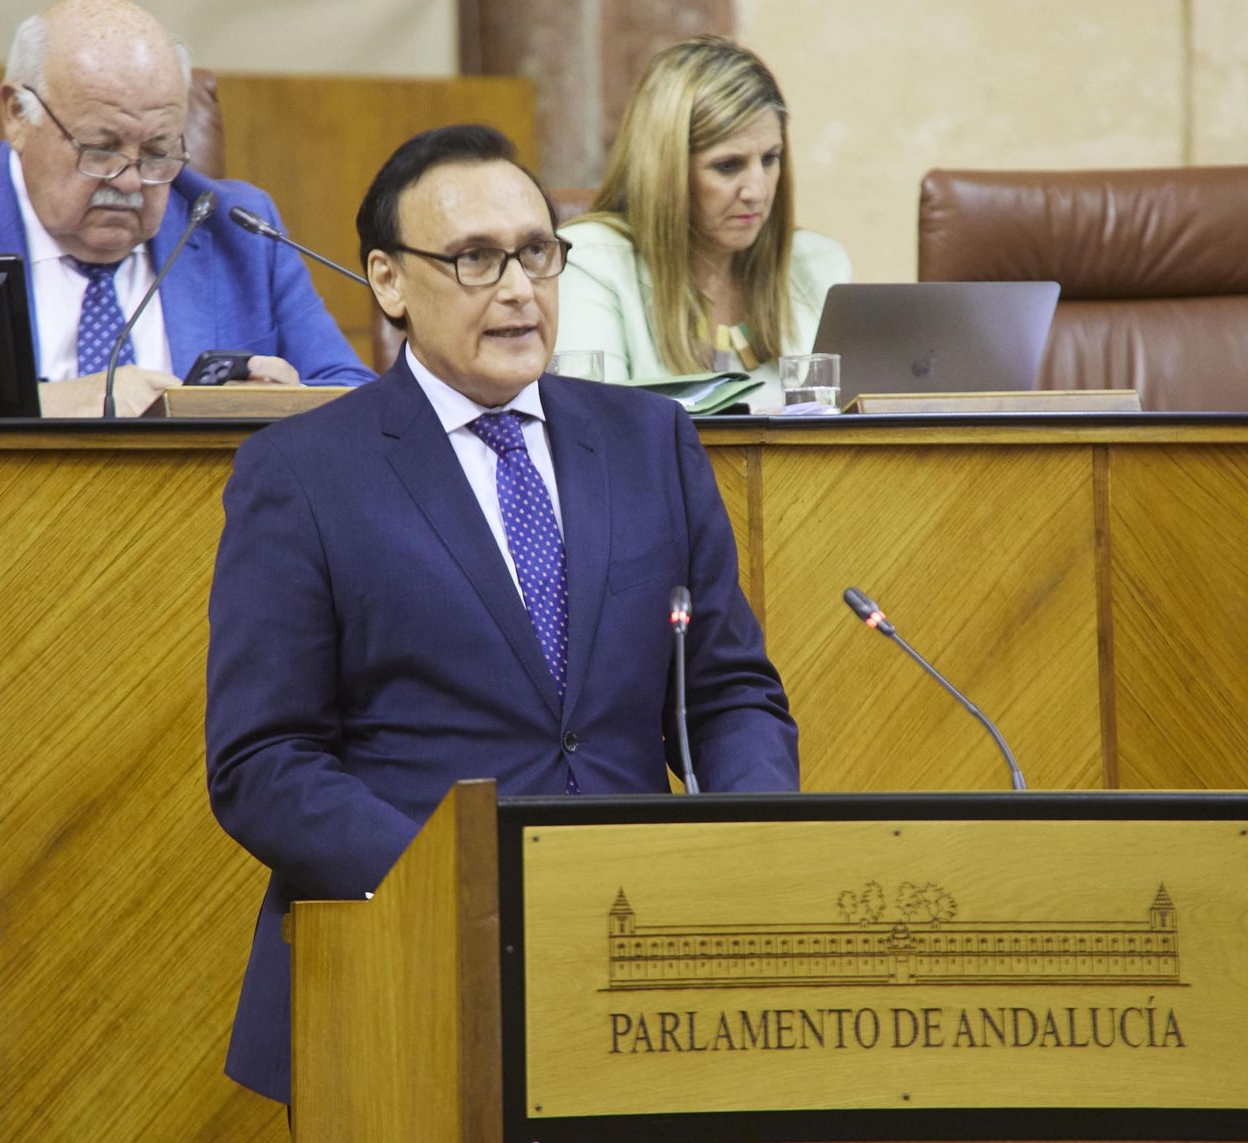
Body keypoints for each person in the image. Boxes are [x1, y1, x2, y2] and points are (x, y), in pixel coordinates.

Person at [204, 124, 799, 1104]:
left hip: (637, 967)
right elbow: (263, 761)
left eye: (536, 251)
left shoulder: (650, 440)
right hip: (405, 974)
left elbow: (727, 691)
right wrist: (457, 891)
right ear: (389, 283)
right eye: (476, 259)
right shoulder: (304, 475)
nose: (520, 287)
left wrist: (750, 841)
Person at [0, 0, 374, 416]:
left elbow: (358, 401)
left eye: (158, 151)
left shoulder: (240, 229)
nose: (129, 180)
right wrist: (46, 405)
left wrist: (275, 407)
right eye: (100, 149)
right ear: (18, 115)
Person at [554, 36, 851, 412]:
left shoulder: (817, 263)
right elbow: (595, 434)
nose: (757, 191)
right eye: (728, 166)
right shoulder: (592, 264)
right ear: (666, 172)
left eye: (770, 159)